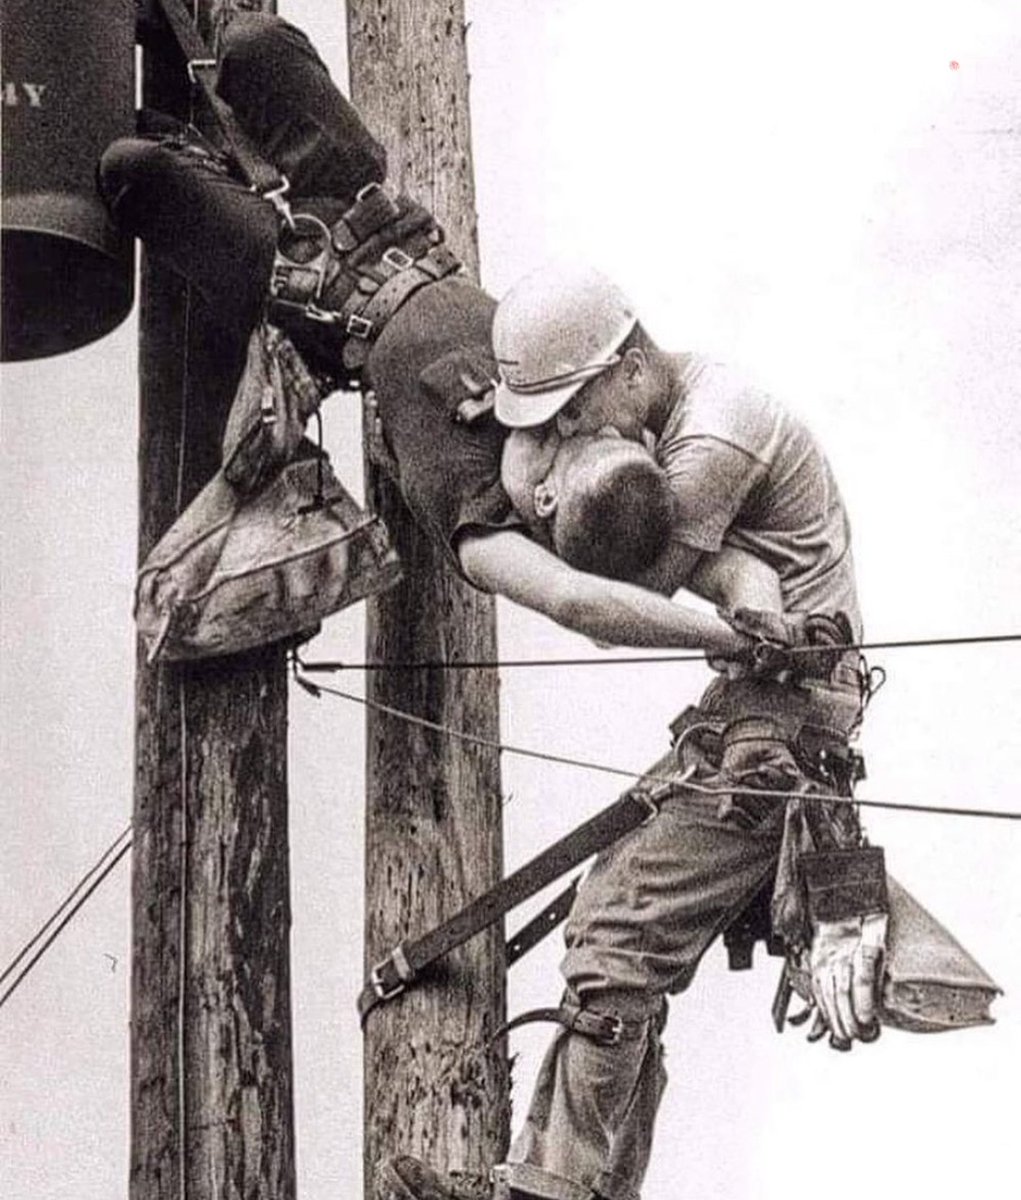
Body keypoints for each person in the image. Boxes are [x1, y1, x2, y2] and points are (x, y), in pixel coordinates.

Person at [380, 267, 889, 1200]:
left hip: (780, 727)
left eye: (572, 411)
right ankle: (578, 1187)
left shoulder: (711, 436)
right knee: (614, 918)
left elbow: (609, 593)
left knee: (618, 934)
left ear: (627, 366)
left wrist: (502, 497)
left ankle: (553, 1188)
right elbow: (742, 580)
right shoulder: (667, 416)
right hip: (753, 716)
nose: (572, 434)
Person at [100, 9, 779, 665]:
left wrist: (719, 644)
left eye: (581, 447)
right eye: (606, 434)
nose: (581, 425)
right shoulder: (574, 427)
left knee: (133, 168)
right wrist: (766, 628)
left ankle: (94, 94)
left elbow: (579, 603)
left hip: (298, 284)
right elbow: (736, 569)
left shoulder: (485, 522)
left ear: (545, 502)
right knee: (251, 41)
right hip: (370, 208)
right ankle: (169, 24)